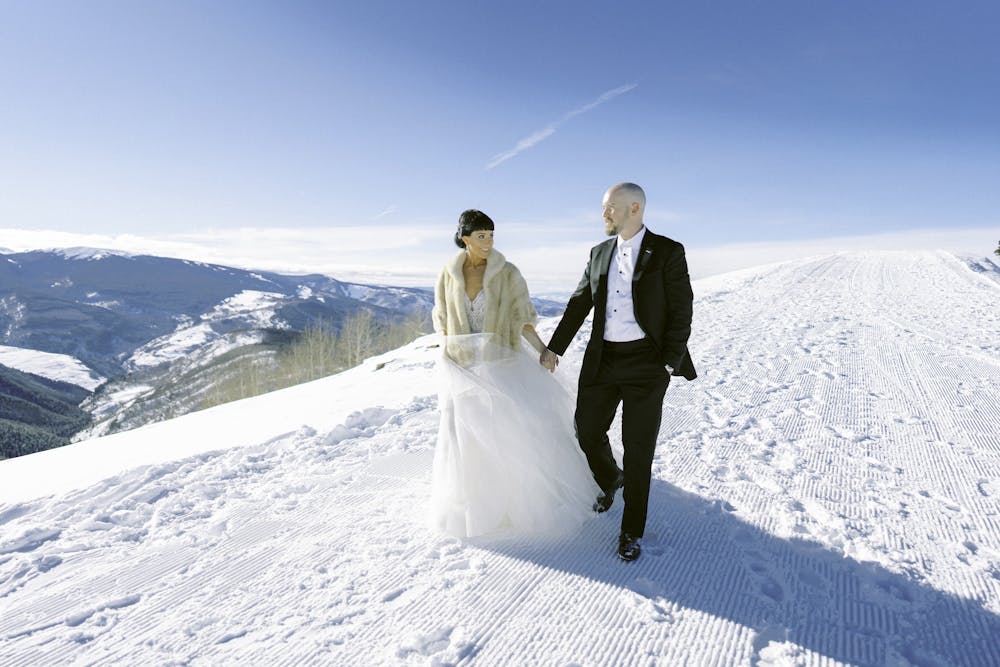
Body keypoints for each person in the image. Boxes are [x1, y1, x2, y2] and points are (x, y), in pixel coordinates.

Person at [540, 183, 696, 561]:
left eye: (610, 207)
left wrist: (666, 360)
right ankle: (611, 479)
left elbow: (682, 310)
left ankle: (631, 530)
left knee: (639, 450)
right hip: (603, 361)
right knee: (587, 428)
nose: (604, 214)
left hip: (647, 363)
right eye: (603, 208)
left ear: (634, 208)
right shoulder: (598, 253)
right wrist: (553, 348)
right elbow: (579, 303)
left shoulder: (668, 251)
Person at [429, 209, 600, 538]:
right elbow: (441, 320)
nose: (489, 242)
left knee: (508, 433)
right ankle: (474, 507)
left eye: (492, 235)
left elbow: (523, 319)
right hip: (462, 367)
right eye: (481, 236)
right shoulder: (447, 274)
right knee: (466, 438)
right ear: (464, 238)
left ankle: (516, 502)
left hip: (500, 363)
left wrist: (543, 350)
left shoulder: (508, 273)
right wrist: (446, 352)